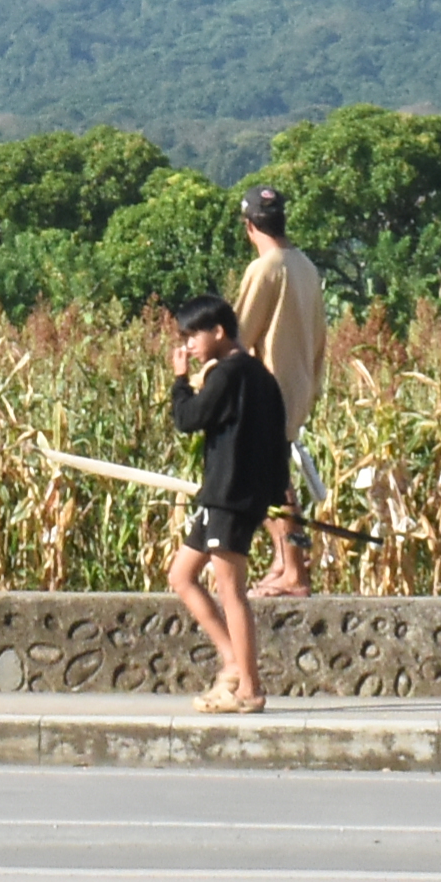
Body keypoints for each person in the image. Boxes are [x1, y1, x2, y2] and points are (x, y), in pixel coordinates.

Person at [161, 290, 289, 713]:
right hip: (226, 496)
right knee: (182, 576)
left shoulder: (229, 374)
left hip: (229, 498)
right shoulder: (261, 375)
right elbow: (279, 442)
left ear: (218, 331)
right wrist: (273, 495)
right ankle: (232, 662)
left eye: (193, 336)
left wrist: (180, 382)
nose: (188, 346)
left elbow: (189, 419)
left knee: (231, 592)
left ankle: (249, 688)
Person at [228, 187, 331, 601]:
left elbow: (238, 335)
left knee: (273, 486)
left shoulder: (265, 268)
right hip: (299, 383)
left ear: (250, 227)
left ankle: (294, 571)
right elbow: (320, 335)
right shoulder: (305, 266)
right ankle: (285, 560)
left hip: (268, 389)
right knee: (271, 480)